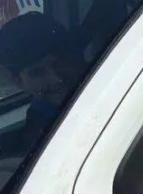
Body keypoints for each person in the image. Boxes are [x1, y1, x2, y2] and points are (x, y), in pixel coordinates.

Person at [0, 12, 85, 142]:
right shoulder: (40, 137)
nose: (57, 78)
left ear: (76, 58)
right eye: (37, 73)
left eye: (60, 62)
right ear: (19, 82)